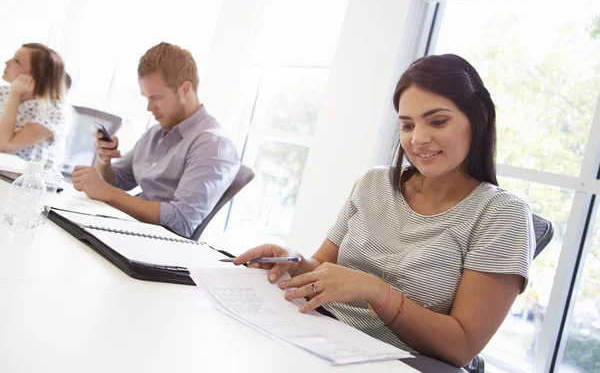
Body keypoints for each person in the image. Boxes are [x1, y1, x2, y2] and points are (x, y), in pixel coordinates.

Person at [234, 54, 535, 367]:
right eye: (407, 125)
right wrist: (292, 262)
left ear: (480, 117)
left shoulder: (503, 215)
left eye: (437, 121)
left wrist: (378, 292)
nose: (418, 139)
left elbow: (461, 346)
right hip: (319, 337)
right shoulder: (374, 182)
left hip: (398, 362)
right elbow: (322, 266)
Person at [71, 42, 240, 238]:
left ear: (185, 89)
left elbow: (182, 221)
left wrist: (107, 193)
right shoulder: (156, 133)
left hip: (155, 245)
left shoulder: (213, 145)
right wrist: (104, 160)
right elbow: (118, 181)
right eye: (146, 98)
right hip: (126, 230)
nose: (149, 108)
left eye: (156, 97)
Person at [0, 43, 71, 172]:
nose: (6, 62)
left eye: (17, 61)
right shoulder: (2, 92)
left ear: (37, 73)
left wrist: (15, 95)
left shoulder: (54, 111)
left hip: (25, 183)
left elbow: (3, 145)